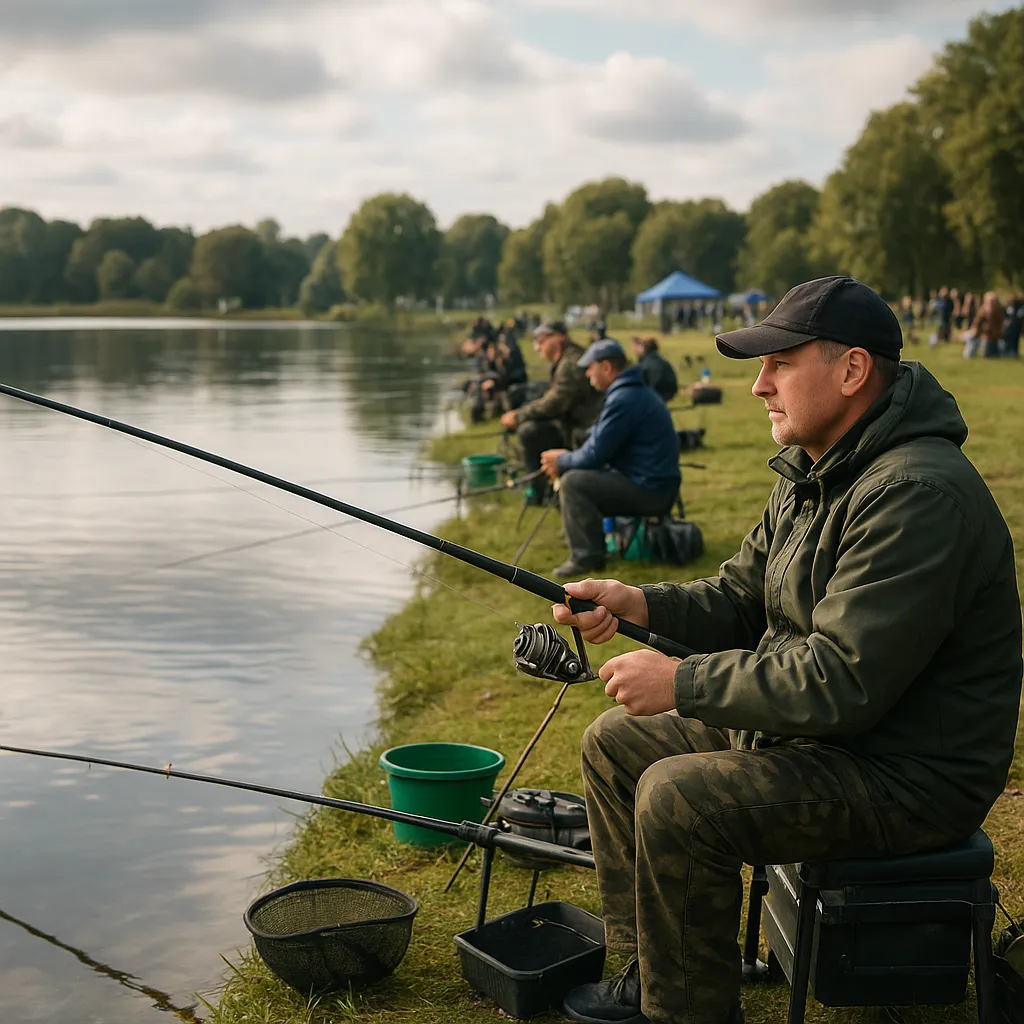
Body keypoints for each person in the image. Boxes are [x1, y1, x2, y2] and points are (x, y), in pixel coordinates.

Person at [550, 276, 1022, 1024]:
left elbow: (842, 678)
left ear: (852, 371)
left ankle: (689, 1014)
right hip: (834, 739)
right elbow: (742, 598)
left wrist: (682, 681)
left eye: (778, 364)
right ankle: (656, 973)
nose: (757, 386)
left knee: (679, 800)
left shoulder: (916, 493)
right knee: (615, 743)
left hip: (906, 772)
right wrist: (638, 603)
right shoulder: (815, 467)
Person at [539, 339, 681, 578]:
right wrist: (569, 456)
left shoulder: (624, 398)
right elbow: (599, 442)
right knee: (576, 473)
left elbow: (595, 454)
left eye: (590, 367)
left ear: (606, 367)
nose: (586, 373)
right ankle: (589, 543)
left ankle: (587, 557)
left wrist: (562, 462)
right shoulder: (629, 391)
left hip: (653, 491)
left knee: (573, 482)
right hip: (653, 483)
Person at [500, 321, 601, 503]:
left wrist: (518, 416)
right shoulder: (565, 359)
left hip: (585, 429)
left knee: (529, 431)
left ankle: (539, 492)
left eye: (541, 340)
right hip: (575, 425)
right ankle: (548, 486)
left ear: (559, 338)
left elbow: (555, 402)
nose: (537, 347)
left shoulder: (571, 362)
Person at [631, 337, 678, 403]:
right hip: (670, 392)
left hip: (655, 393)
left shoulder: (646, 363)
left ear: (644, 348)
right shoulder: (660, 360)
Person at [975, 291, 1006, 358]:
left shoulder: (999, 311)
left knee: (999, 353)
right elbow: (978, 324)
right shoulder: (983, 311)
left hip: (997, 336)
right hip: (987, 336)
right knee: (987, 354)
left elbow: (1001, 323)